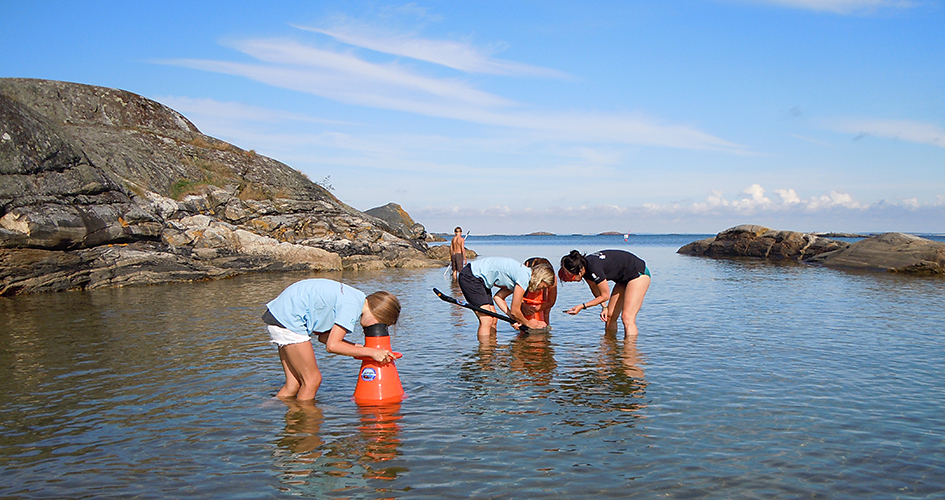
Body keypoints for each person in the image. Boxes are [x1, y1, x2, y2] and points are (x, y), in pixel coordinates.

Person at [262, 279, 401, 400]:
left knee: (293, 384)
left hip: (279, 315)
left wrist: (359, 348)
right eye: (383, 324)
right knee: (312, 381)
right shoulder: (352, 307)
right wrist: (372, 353)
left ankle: (267, 410)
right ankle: (305, 424)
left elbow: (324, 338)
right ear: (378, 315)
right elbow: (332, 345)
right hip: (289, 321)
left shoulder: (356, 297)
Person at [458, 256, 556, 338]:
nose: (539, 290)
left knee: (493, 320)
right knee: (487, 320)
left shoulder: (520, 278)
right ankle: (485, 357)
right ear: (539, 279)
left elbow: (498, 297)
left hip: (482, 282)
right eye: (542, 287)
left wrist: (512, 318)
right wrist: (529, 324)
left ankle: (492, 351)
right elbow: (515, 310)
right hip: (471, 276)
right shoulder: (524, 277)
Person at [559, 249, 650, 337]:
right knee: (609, 316)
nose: (571, 280)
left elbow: (605, 295)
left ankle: (630, 350)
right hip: (623, 279)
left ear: (579, 271)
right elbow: (595, 289)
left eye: (571, 276)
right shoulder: (584, 269)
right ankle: (610, 347)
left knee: (627, 318)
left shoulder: (594, 269)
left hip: (638, 274)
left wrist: (582, 306)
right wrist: (604, 307)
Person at [522, 257, 558, 325]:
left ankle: (546, 331)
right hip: (528, 287)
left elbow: (551, 302)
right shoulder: (526, 272)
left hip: (543, 300)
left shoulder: (552, 278)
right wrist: (523, 305)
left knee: (546, 314)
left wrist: (535, 309)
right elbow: (516, 294)